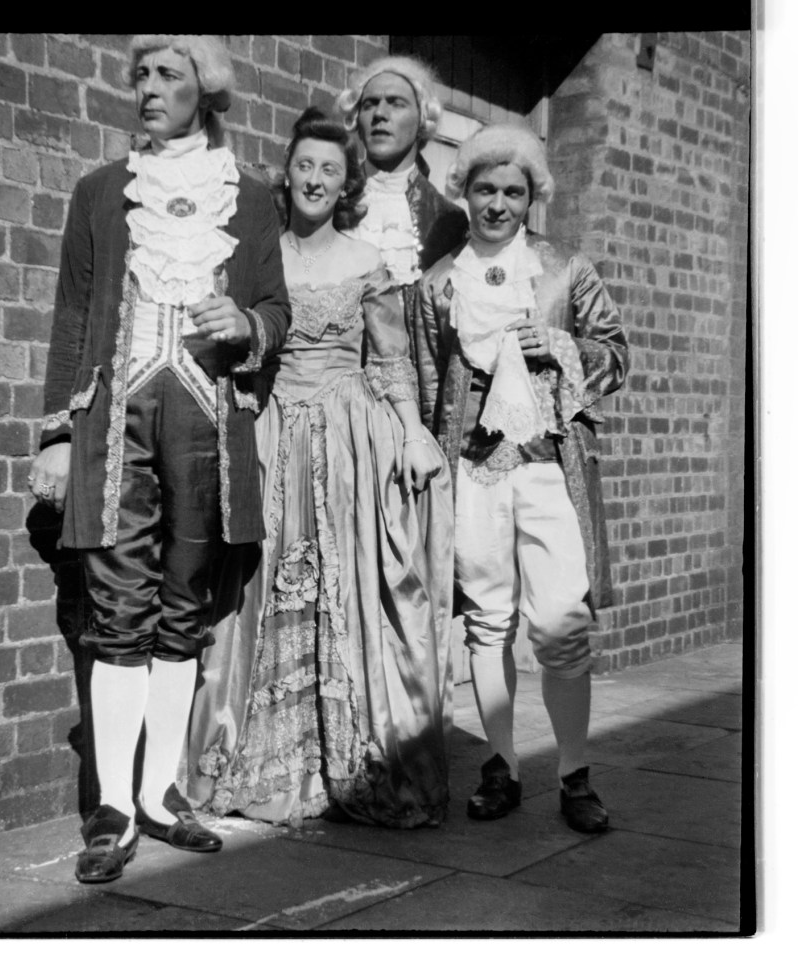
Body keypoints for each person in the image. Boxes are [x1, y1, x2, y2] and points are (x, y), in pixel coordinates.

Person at [27, 34, 290, 883]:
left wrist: (249, 327)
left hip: (210, 420)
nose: (146, 88)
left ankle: (163, 791)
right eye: (139, 74)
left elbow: (275, 307)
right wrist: (60, 435)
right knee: (116, 602)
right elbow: (73, 317)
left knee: (186, 604)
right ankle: (111, 807)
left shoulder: (249, 199)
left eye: (166, 75)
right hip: (116, 422)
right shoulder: (102, 192)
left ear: (203, 92)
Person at [187, 108, 453, 829]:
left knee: (348, 583)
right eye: (305, 165)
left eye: (330, 170)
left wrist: (413, 434)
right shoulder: (257, 254)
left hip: (344, 435)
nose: (315, 179)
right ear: (289, 174)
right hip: (270, 426)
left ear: (347, 185)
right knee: (264, 579)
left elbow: (391, 359)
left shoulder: (367, 260)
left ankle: (348, 761)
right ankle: (270, 761)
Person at [412, 123, 629, 833]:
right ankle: (500, 763)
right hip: (472, 471)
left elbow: (617, 355)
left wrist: (564, 343)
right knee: (487, 620)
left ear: (532, 196)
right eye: (485, 189)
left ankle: (574, 773)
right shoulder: (440, 283)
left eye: (513, 190)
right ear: (464, 193)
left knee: (562, 621)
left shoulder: (564, 270)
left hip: (547, 468)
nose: (498, 203)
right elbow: (423, 383)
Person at [336, 56, 468, 322]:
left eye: (396, 103)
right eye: (369, 104)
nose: (380, 114)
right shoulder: (330, 201)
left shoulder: (448, 220)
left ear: (421, 120)